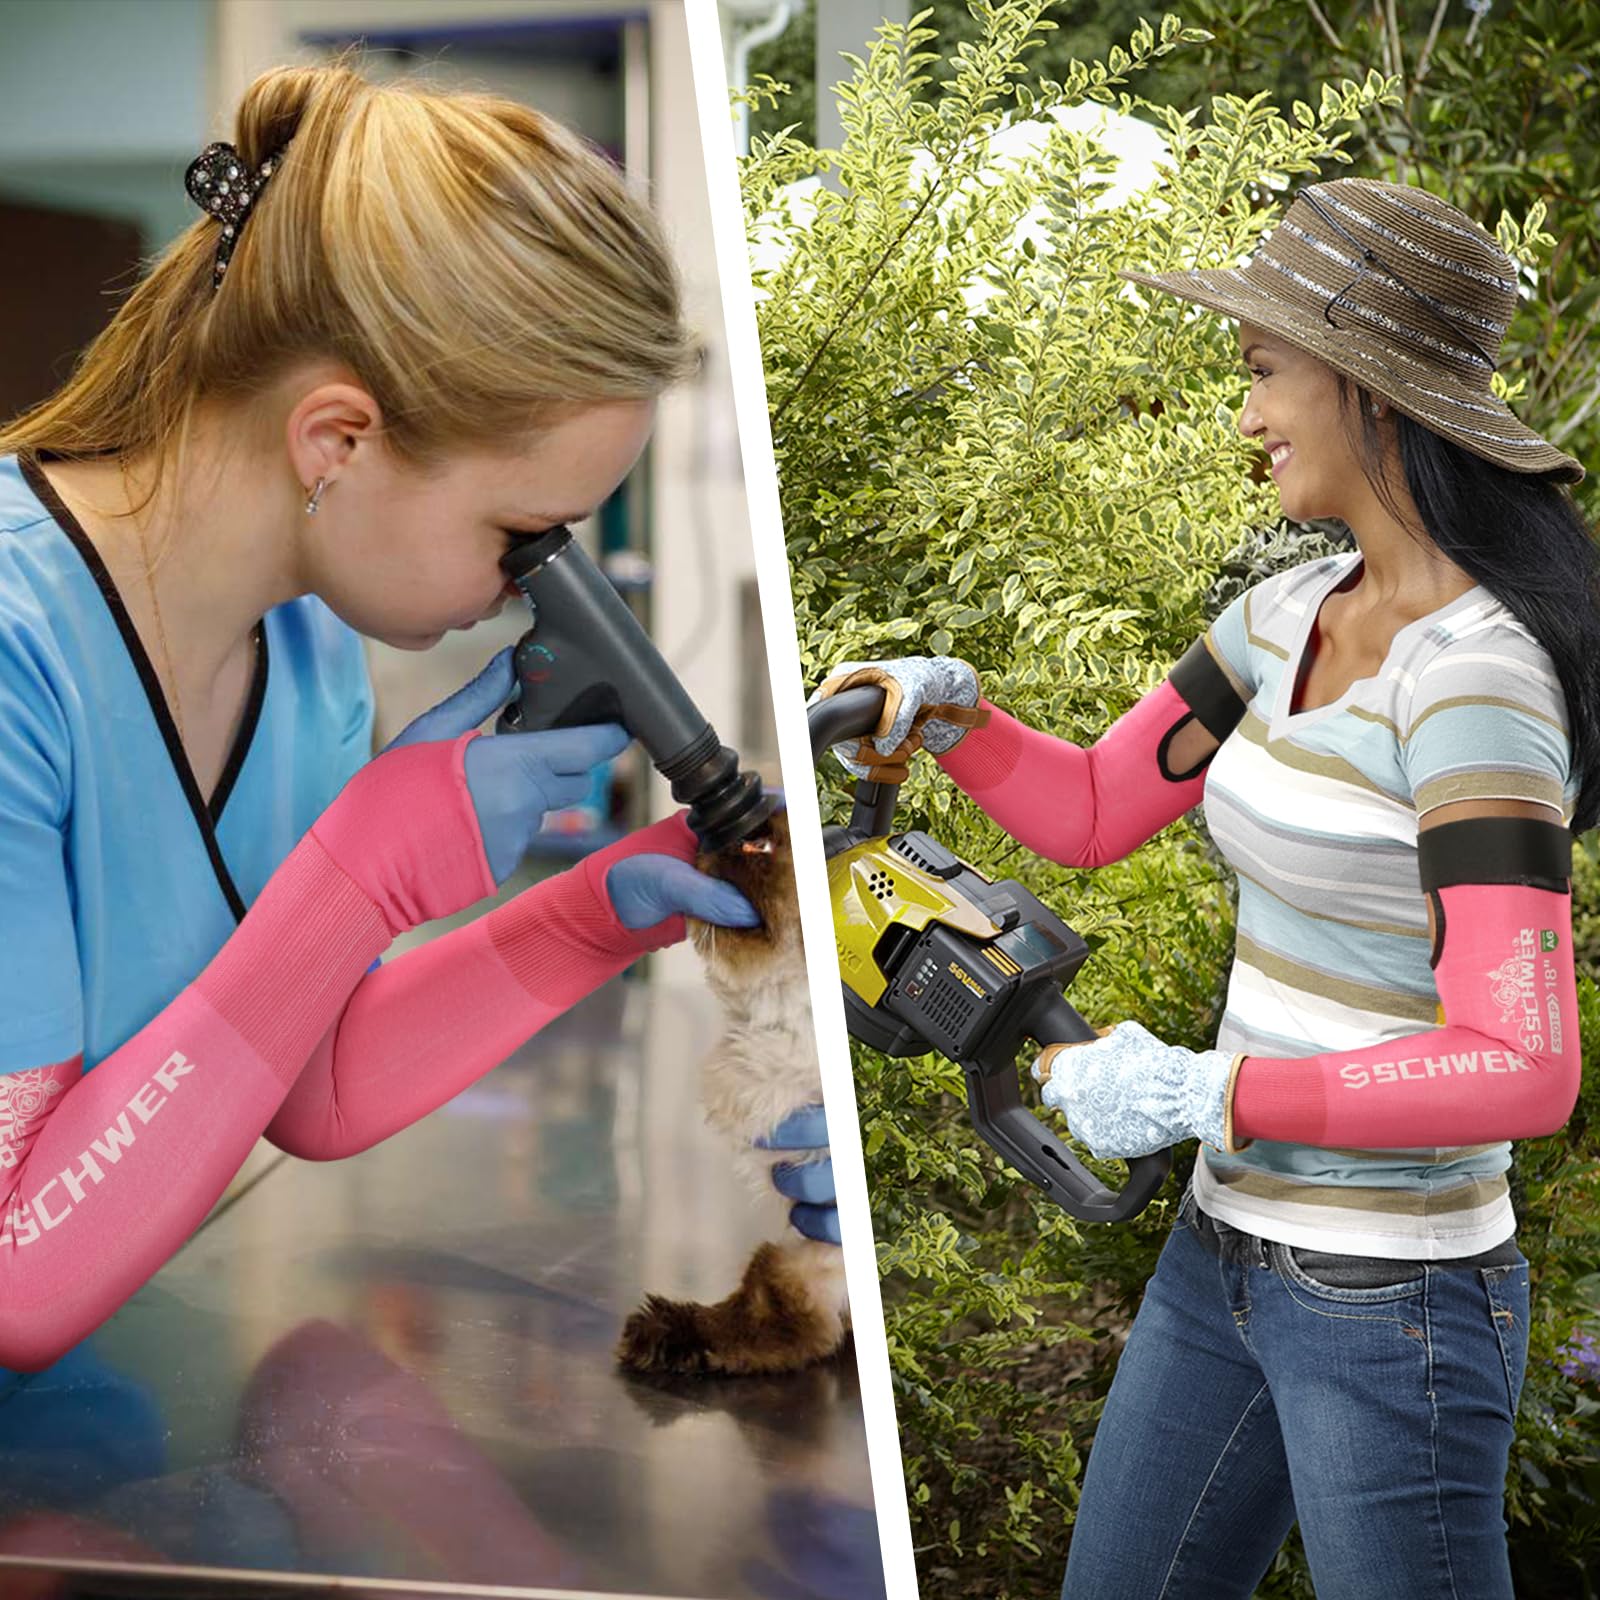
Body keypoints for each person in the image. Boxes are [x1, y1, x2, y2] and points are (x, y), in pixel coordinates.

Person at [814, 177, 1597, 1598]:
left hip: (1391, 1302)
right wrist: (953, 718)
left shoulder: (1474, 681)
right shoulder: (1290, 615)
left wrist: (1206, 1093)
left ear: (1366, 388)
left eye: (1261, 374)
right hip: (1225, 1256)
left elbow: (1525, 1068)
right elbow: (1102, 805)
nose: (1246, 417)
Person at [0, 58, 774, 1377]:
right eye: (524, 534)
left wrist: (589, 915)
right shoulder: (19, 657)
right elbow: (15, 1279)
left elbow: (309, 1074)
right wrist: (367, 870)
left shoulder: (303, 654)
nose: (535, 586)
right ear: (337, 442)